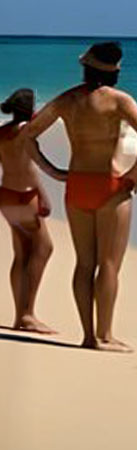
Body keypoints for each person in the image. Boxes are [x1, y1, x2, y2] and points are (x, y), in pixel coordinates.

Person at [24, 41, 137, 352]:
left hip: (78, 183)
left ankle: (87, 336)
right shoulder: (120, 100)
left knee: (85, 264)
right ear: (115, 71)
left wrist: (53, 171)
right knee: (109, 264)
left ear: (86, 67)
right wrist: (135, 173)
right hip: (110, 185)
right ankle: (105, 335)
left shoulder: (67, 99)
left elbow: (29, 134)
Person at [0, 89, 56, 334]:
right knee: (43, 248)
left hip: (7, 193)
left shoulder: (1, 131)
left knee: (21, 253)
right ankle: (28, 314)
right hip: (25, 196)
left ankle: (19, 316)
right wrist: (43, 196)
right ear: (31, 110)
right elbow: (32, 169)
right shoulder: (27, 131)